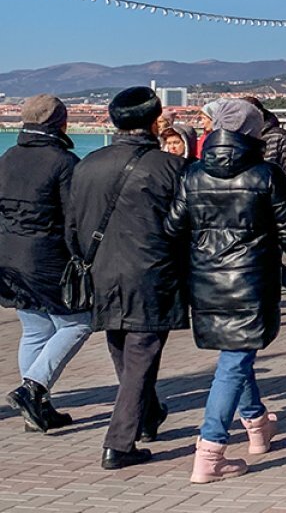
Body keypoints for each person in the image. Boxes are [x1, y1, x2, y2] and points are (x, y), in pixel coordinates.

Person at [164, 98, 286, 482]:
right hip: (251, 281)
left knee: (236, 353)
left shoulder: (193, 174)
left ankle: (257, 424)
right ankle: (210, 452)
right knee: (234, 362)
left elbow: (172, 228)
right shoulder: (266, 175)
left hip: (206, 281)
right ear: (252, 132)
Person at [67, 87, 189, 469]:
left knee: (124, 350)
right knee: (140, 354)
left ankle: (147, 416)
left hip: (103, 271)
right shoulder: (170, 168)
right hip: (152, 273)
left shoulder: (87, 166)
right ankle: (119, 443)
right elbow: (186, 228)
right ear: (154, 122)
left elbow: (72, 227)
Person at [0, 95, 90, 433]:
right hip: (46, 255)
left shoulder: (8, 157)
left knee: (36, 329)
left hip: (8, 253)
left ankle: (37, 409)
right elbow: (74, 218)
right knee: (78, 322)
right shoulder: (64, 162)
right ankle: (33, 389)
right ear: (61, 123)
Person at [242, 97, 286, 192]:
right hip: (245, 198)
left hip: (272, 197)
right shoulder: (238, 137)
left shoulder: (281, 137)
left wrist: (278, 195)